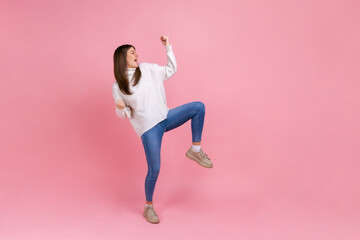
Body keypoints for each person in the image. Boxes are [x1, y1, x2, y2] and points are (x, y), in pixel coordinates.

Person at [112, 35, 213, 224]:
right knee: (155, 169)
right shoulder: (118, 86)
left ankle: (196, 150)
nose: (137, 54)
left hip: (165, 117)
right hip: (149, 129)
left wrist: (168, 48)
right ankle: (148, 206)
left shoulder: (147, 69)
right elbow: (123, 113)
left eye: (136, 51)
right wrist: (120, 108)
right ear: (122, 57)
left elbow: (170, 70)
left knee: (198, 107)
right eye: (132, 52)